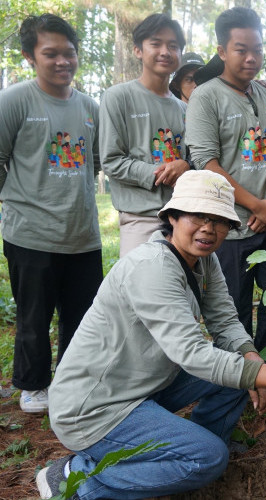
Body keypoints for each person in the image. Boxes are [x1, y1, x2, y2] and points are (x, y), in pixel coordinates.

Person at [38, 170, 266, 500]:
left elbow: (225, 322)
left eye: (219, 220)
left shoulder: (204, 261)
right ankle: (77, 480)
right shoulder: (152, 266)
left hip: (141, 386)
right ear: (172, 217)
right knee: (208, 457)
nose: (209, 229)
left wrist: (255, 362)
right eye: (198, 216)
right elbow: (193, 354)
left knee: (243, 370)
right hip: (94, 409)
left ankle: (183, 458)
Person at [0, 14, 103, 414]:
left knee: (82, 317)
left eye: (69, 52)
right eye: (51, 54)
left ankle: (73, 381)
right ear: (29, 56)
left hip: (83, 235)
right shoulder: (15, 100)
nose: (63, 61)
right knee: (33, 317)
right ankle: (33, 384)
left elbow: (96, 162)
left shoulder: (90, 107)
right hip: (31, 234)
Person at [186, 7, 266, 365]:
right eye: (241, 49)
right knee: (232, 309)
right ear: (221, 51)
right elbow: (207, 163)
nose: (252, 58)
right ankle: (237, 381)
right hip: (229, 224)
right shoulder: (206, 96)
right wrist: (255, 205)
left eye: (258, 49)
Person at [100, 13, 190, 257]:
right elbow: (111, 160)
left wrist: (184, 165)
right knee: (140, 289)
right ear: (138, 50)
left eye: (173, 46)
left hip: (183, 217)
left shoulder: (184, 108)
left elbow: (192, 159)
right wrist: (159, 172)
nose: (165, 51)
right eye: (156, 43)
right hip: (139, 219)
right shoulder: (118, 97)